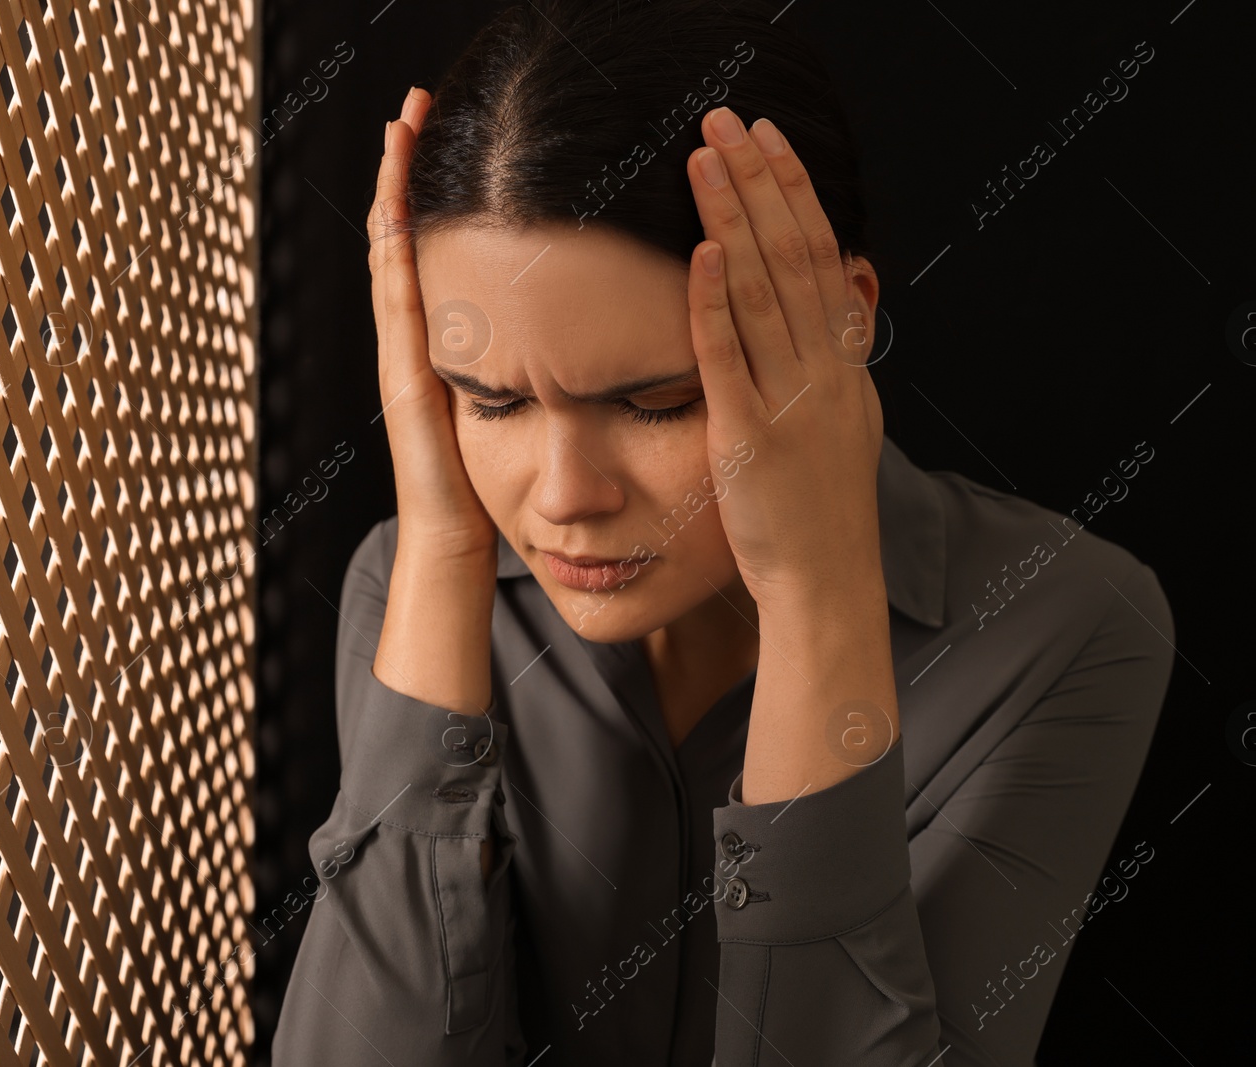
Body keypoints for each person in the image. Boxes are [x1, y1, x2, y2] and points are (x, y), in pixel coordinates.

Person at [271, 2, 1175, 1063]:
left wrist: (815, 593)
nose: (563, 496)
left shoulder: (1063, 625)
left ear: (843, 321)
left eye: (655, 403)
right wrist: (439, 548)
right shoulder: (409, 590)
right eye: (490, 400)